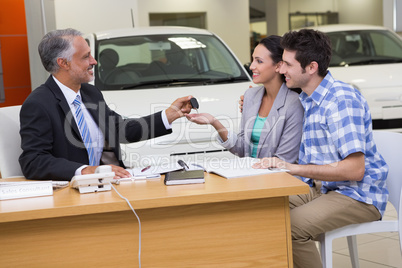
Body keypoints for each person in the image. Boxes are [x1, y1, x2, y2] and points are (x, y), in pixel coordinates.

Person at [252, 29, 389, 268]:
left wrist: (292, 168)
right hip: (322, 188)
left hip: (357, 195)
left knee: (291, 227)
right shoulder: (309, 96)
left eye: (287, 64)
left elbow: (355, 170)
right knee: (261, 210)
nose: (281, 69)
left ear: (312, 67)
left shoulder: (341, 101)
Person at [19, 28, 193, 181]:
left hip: (110, 185)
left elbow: (121, 130)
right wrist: (87, 171)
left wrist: (169, 114)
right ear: (63, 63)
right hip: (71, 194)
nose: (94, 61)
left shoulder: (91, 94)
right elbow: (33, 161)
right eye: (86, 56)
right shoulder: (38, 104)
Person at [186, 35, 303, 163]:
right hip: (252, 176)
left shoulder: (294, 104)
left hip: (278, 179)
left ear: (278, 66)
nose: (252, 66)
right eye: (252, 60)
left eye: (259, 61)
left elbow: (284, 160)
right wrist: (214, 122)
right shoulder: (250, 96)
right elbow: (242, 149)